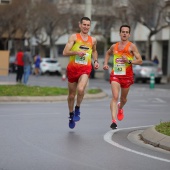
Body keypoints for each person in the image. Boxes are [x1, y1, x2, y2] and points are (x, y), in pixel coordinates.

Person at [103, 25, 143, 129]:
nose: (124, 33)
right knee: (115, 97)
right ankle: (113, 121)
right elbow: (107, 53)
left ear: (129, 34)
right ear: (120, 33)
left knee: (123, 99)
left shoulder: (132, 46)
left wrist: (129, 61)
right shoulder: (114, 46)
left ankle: (120, 108)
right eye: (123, 31)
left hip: (127, 76)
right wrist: (106, 63)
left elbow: (140, 60)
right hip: (115, 74)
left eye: (126, 32)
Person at [63, 17, 99, 129]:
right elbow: (65, 52)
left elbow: (94, 51)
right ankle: (71, 114)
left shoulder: (93, 40)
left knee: (81, 89)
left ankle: (77, 108)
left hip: (85, 68)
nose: (86, 27)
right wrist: (76, 52)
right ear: (80, 25)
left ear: (90, 26)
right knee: (71, 95)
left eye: (88, 25)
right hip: (73, 69)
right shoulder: (74, 37)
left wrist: (96, 61)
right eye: (84, 24)